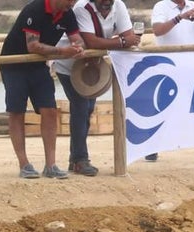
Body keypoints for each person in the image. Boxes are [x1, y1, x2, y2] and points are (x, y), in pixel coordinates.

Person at [0, 0, 82, 179]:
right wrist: (62, 52)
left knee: (50, 110)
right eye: (70, 0)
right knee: (16, 111)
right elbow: (33, 46)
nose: (73, 3)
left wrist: (78, 47)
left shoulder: (68, 13)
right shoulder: (34, 9)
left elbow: (77, 38)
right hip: (14, 63)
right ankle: (24, 164)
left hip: (38, 65)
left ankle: (50, 164)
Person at [55, 0, 141, 176]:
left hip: (91, 66)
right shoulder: (82, 8)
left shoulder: (119, 6)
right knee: (80, 106)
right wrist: (123, 41)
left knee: (87, 109)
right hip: (69, 65)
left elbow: (129, 34)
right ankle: (80, 159)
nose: (106, 3)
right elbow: (91, 41)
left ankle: (76, 158)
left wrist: (122, 40)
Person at [146, 0, 194, 164]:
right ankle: (150, 146)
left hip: (193, 65)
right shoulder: (161, 6)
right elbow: (158, 31)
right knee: (161, 108)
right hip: (169, 66)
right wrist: (179, 17)